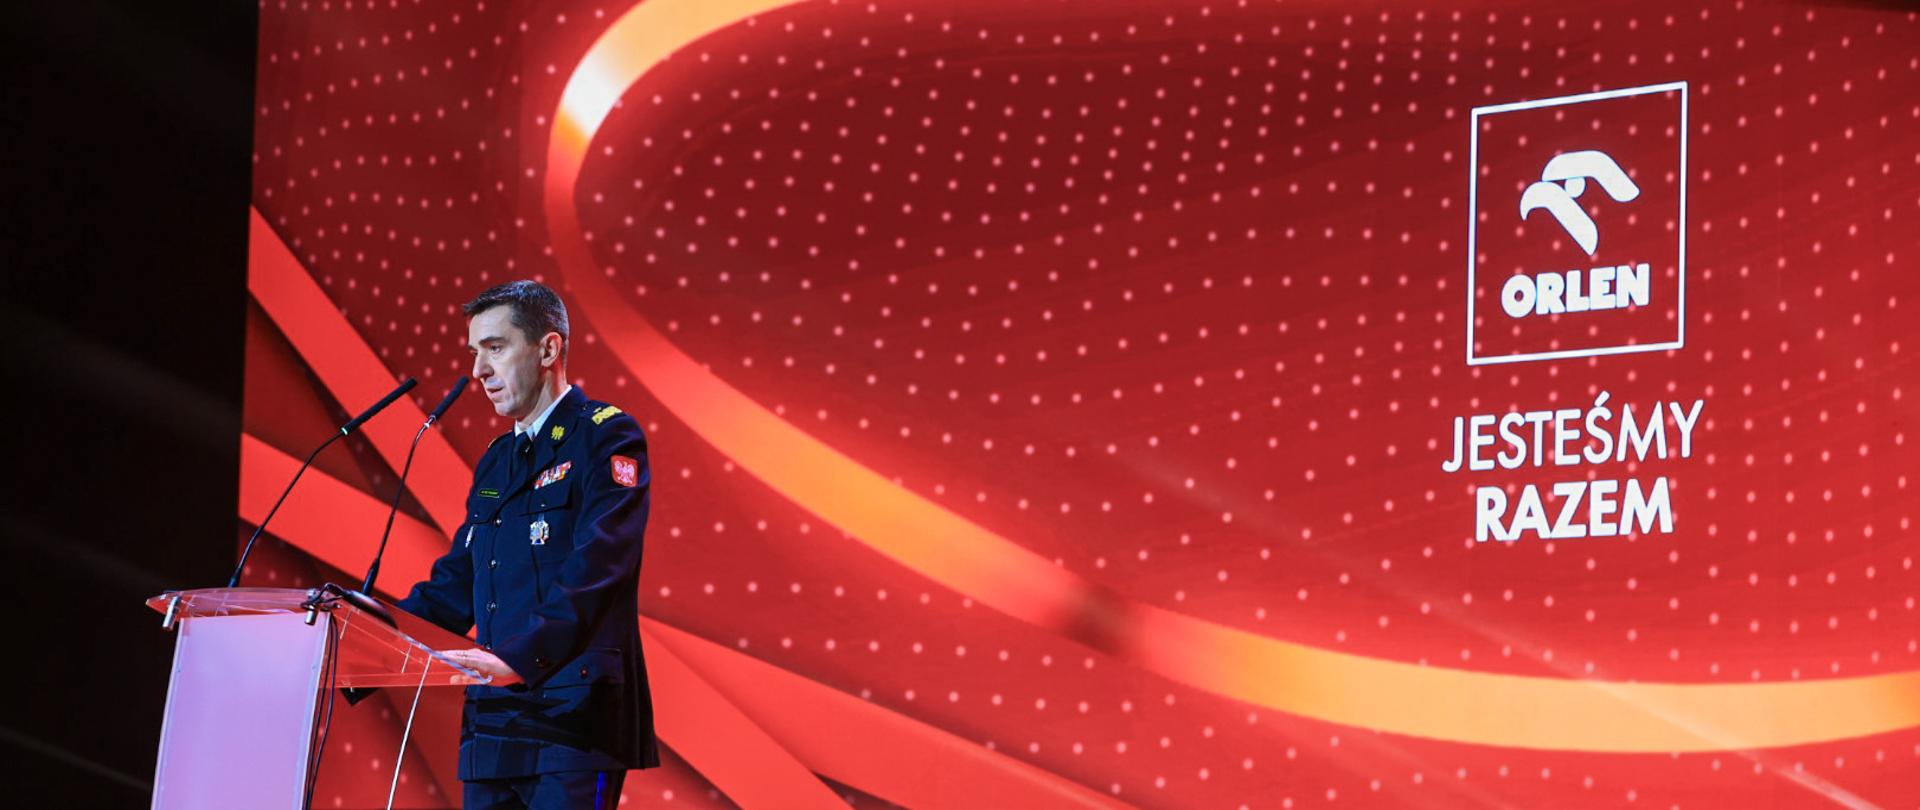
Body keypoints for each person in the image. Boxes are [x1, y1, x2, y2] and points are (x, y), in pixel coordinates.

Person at [397, 279, 657, 809]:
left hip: (573, 720)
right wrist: (366, 636)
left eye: (494, 348)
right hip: (495, 725)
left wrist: (518, 659)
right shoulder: (497, 459)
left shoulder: (605, 435)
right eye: (475, 352)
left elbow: (599, 568)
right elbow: (457, 584)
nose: (478, 371)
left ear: (548, 349)